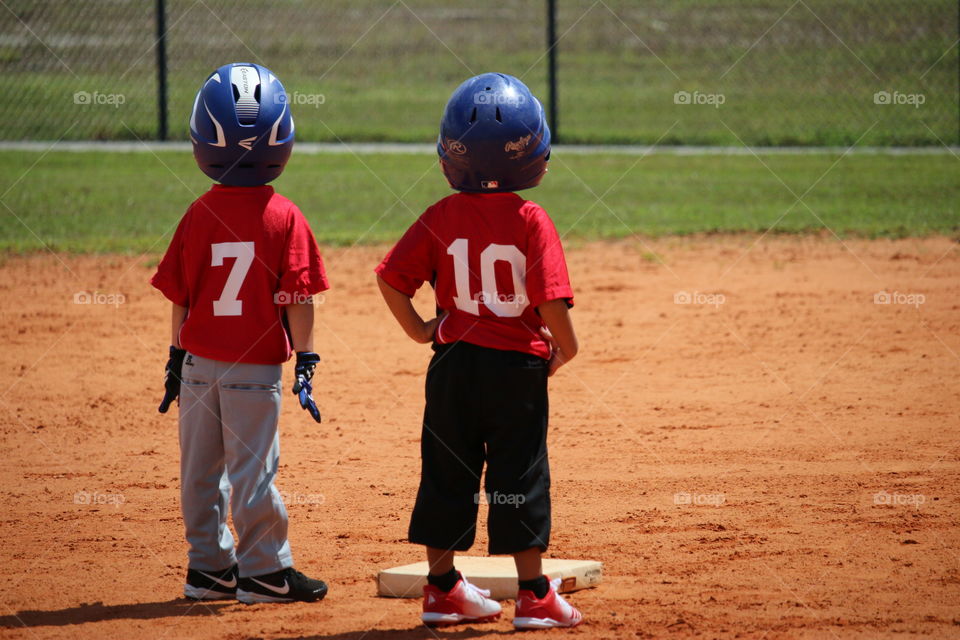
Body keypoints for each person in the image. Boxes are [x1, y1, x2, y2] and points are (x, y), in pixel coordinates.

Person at [375, 72, 583, 629]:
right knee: (519, 476)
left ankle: (443, 590)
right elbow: (550, 301)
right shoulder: (531, 219)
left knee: (447, 470)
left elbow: (392, 279)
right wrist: (567, 349)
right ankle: (536, 597)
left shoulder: (441, 216)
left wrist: (422, 331)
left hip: (452, 368)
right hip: (515, 370)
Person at [152, 62, 328, 604]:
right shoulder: (285, 216)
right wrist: (306, 359)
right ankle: (266, 573)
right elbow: (297, 298)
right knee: (253, 474)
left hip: (200, 365)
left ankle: (208, 569)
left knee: (200, 474)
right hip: (254, 370)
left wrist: (175, 359)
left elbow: (182, 297)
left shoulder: (197, 213)